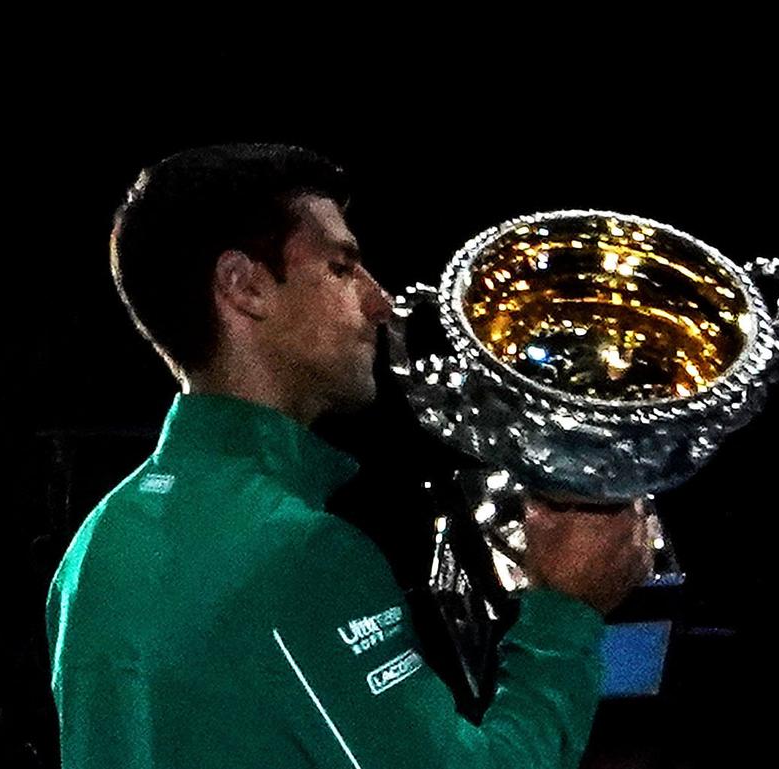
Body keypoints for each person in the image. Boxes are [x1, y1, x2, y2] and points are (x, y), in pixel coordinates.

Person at [44, 143, 653, 768]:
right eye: (341, 268)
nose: (379, 302)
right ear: (246, 286)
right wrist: (566, 613)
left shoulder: (92, 549)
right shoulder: (300, 555)